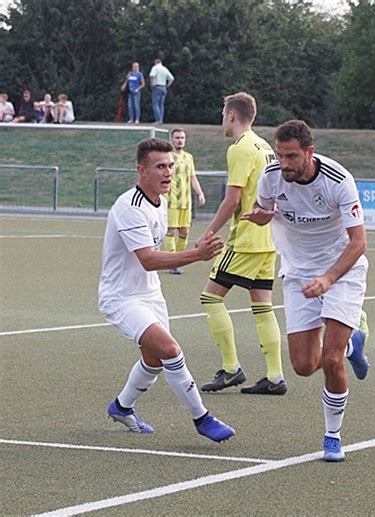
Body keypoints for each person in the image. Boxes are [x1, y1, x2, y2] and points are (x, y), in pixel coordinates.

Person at [242, 119, 370, 462]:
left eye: (292, 156)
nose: (284, 163)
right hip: (298, 275)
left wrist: (328, 278)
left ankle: (332, 436)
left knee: (330, 359)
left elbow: (358, 242)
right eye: (280, 155)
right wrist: (260, 216)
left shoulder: (339, 180)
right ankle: (352, 343)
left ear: (309, 153)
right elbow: (264, 208)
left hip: (342, 271)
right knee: (302, 365)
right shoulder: (271, 175)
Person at [98, 137, 234, 443]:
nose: (168, 172)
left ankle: (121, 407)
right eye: (160, 166)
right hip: (121, 298)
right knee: (171, 350)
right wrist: (196, 255)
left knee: (155, 360)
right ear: (141, 170)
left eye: (170, 165)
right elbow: (147, 259)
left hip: (149, 294)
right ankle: (202, 418)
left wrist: (195, 250)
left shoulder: (160, 202)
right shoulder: (129, 207)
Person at [198, 92, 287, 396]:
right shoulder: (265, 146)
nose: (222, 119)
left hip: (248, 236)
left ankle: (231, 369)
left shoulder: (240, 148)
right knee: (263, 306)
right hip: (269, 238)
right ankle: (275, 376)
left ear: (232, 115)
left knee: (210, 298)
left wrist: (209, 232)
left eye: (224, 114)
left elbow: (233, 198)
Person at [164, 128, 206, 275]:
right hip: (171, 201)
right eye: (177, 138)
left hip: (185, 202)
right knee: (171, 230)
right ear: (171, 139)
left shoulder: (189, 157)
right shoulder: (167, 157)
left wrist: (200, 193)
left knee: (184, 232)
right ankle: (172, 262)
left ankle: (178, 260)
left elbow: (192, 177)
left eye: (182, 138)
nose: (180, 140)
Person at [149, 58, 174, 123]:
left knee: (155, 104)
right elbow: (171, 78)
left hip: (157, 86)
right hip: (163, 87)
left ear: (156, 62)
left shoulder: (155, 68)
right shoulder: (165, 69)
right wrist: (167, 86)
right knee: (161, 104)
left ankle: (158, 119)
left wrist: (151, 84)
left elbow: (152, 76)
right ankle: (161, 120)